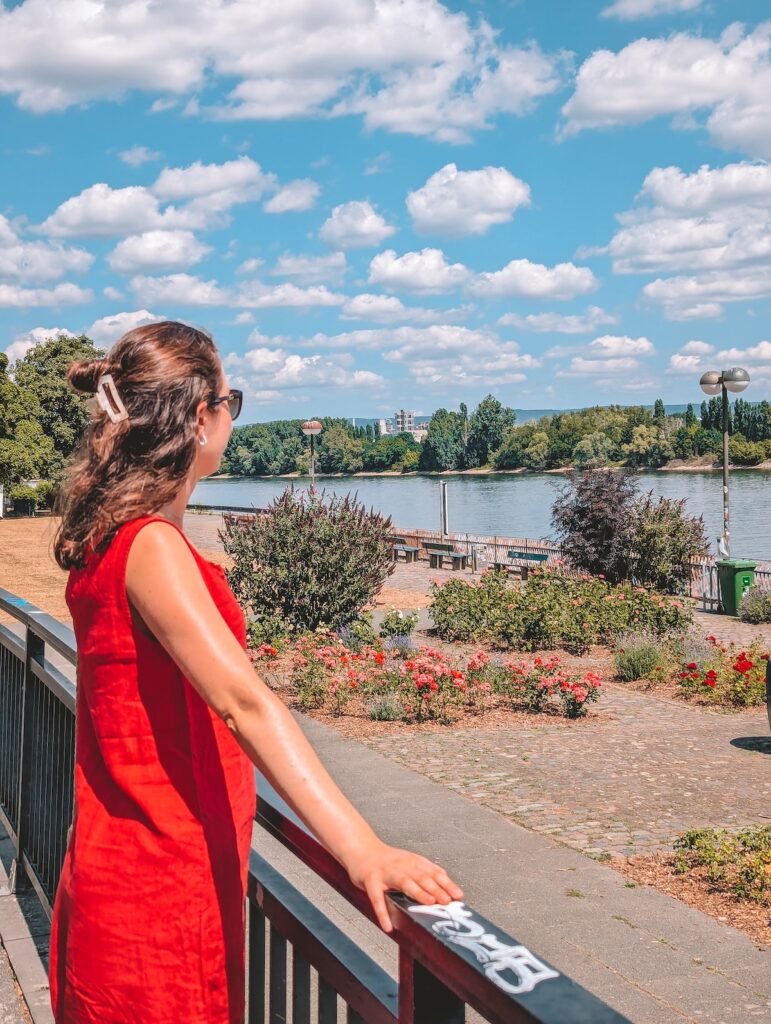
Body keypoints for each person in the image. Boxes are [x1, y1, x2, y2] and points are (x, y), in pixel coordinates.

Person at [50, 321, 462, 1023]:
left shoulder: (108, 538)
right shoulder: (150, 545)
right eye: (228, 398)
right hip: (162, 888)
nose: (231, 417)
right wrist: (362, 849)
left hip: (118, 867)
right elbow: (245, 703)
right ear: (198, 418)